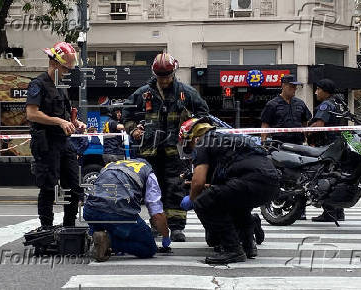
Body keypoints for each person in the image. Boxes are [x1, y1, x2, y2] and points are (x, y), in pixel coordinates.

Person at [122, 53, 209, 242]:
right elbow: (126, 114)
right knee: (153, 189)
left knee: (175, 187)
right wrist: (133, 129)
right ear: (155, 74)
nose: (164, 80)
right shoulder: (143, 93)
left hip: (175, 151)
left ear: (173, 72)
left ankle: (177, 228)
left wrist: (189, 126)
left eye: (167, 75)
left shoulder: (186, 93)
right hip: (149, 152)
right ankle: (157, 225)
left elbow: (204, 114)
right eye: (161, 76)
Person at [179, 117, 280, 264]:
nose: (190, 150)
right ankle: (248, 246)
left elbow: (198, 182)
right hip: (271, 183)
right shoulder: (227, 137)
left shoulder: (203, 142)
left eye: (188, 146)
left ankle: (233, 249)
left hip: (250, 181)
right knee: (236, 205)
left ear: (193, 137)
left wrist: (193, 199)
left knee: (204, 201)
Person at [26, 42, 86, 229]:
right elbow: (32, 113)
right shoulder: (38, 84)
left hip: (63, 142)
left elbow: (66, 115)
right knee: (48, 187)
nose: (67, 72)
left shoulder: (61, 86)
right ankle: (46, 228)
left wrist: (75, 123)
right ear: (54, 63)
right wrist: (59, 122)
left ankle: (69, 227)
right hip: (46, 142)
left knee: (73, 187)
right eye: (65, 68)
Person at [83, 159, 171, 262]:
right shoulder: (148, 172)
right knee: (149, 248)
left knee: (102, 223)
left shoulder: (111, 165)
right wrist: (165, 236)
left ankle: (93, 239)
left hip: (90, 210)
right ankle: (109, 241)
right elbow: (157, 214)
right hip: (118, 213)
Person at [261, 74, 311, 220]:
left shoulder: (300, 103)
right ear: (283, 86)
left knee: (300, 178)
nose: (294, 89)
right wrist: (264, 144)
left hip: (298, 146)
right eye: (291, 86)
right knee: (282, 178)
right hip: (280, 146)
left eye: (296, 86)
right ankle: (277, 206)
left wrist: (308, 141)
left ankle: (300, 209)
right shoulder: (272, 104)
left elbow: (305, 123)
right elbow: (265, 125)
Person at [308, 79, 346, 222]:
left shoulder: (326, 105)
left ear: (325, 91)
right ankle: (339, 212)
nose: (316, 92)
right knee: (336, 178)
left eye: (318, 89)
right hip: (338, 146)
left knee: (324, 178)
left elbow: (319, 124)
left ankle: (329, 213)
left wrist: (306, 131)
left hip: (327, 147)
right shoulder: (339, 104)